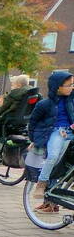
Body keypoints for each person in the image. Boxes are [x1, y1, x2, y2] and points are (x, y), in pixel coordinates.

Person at [28, 70, 74, 212]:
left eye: (72, 84)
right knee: (54, 158)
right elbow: (33, 122)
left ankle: (52, 202)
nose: (72, 87)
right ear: (57, 87)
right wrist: (34, 140)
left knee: (63, 165)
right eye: (68, 85)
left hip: (70, 132)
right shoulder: (45, 104)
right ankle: (41, 183)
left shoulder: (72, 101)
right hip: (56, 132)